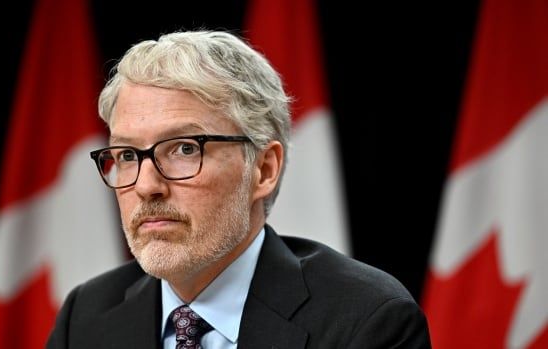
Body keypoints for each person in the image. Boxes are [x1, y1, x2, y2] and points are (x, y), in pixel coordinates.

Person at [46, 30, 431, 349]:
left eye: (184, 148)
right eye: (128, 154)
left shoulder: (366, 321)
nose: (147, 186)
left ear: (263, 170)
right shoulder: (85, 318)